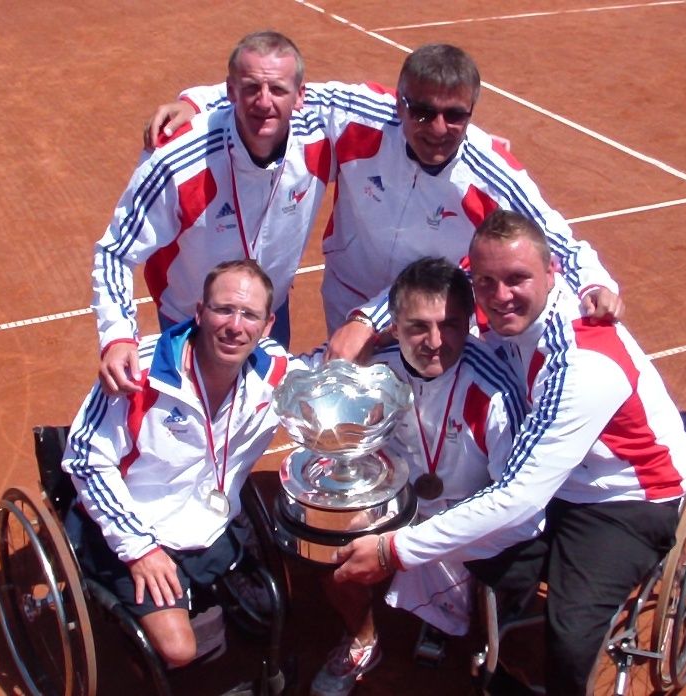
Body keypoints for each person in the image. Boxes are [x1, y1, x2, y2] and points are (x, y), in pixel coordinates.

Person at [331, 210, 686, 696]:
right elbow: (433, 284)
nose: (499, 296)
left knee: (569, 639)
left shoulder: (581, 366)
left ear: (551, 274)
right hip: (554, 469)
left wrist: (391, 551)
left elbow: (518, 496)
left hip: (622, 496)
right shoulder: (500, 294)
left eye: (517, 279)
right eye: (486, 282)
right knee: (485, 555)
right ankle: (482, 625)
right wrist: (368, 321)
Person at [145, 44, 624, 359]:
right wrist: (198, 103)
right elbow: (273, 91)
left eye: (455, 115)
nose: (438, 129)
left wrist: (594, 282)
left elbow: (551, 232)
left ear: (471, 113)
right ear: (399, 103)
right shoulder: (362, 115)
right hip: (349, 297)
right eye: (423, 112)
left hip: (430, 314)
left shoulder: (489, 167)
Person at [302, 257, 535, 696]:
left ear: (469, 323)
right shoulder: (370, 368)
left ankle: (453, 619)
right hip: (396, 504)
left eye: (449, 325)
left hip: (467, 515)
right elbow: (293, 374)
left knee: (500, 570)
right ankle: (363, 639)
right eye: (417, 327)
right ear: (392, 326)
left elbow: (510, 496)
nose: (435, 342)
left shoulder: (495, 390)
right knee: (333, 556)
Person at [63, 259, 296, 668]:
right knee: (179, 650)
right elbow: (84, 459)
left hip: (210, 523)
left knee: (273, 610)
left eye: (249, 315)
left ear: (267, 324)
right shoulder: (137, 372)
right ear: (200, 311)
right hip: (137, 528)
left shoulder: (276, 370)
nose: (235, 326)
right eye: (224, 309)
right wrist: (139, 549)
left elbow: (326, 387)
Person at [94, 31, 330, 397]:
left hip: (268, 317)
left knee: (258, 413)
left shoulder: (322, 136)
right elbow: (115, 251)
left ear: (301, 95)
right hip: (192, 322)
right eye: (250, 89)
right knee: (190, 422)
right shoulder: (177, 160)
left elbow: (405, 107)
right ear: (231, 91)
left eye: (278, 90)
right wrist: (118, 335)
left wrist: (194, 99)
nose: (264, 102)